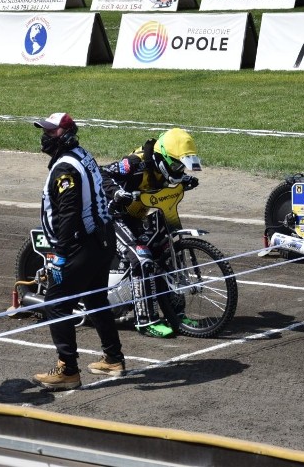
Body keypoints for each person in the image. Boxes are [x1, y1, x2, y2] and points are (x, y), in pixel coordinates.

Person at [31, 112, 126, 391]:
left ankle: (67, 370)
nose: (45, 137)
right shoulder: (82, 154)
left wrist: (60, 254)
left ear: (66, 136)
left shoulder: (64, 169)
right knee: (95, 298)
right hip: (101, 237)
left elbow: (69, 212)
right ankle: (113, 358)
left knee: (55, 302)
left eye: (51, 133)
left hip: (81, 243)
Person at [101, 128, 201, 338]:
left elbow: (166, 182)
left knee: (167, 249)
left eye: (182, 166)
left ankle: (176, 313)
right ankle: (146, 321)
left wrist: (184, 181)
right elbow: (103, 173)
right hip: (113, 217)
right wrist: (117, 192)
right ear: (162, 157)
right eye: (176, 165)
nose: (179, 169)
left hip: (136, 216)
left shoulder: (165, 166)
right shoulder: (134, 164)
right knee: (143, 258)